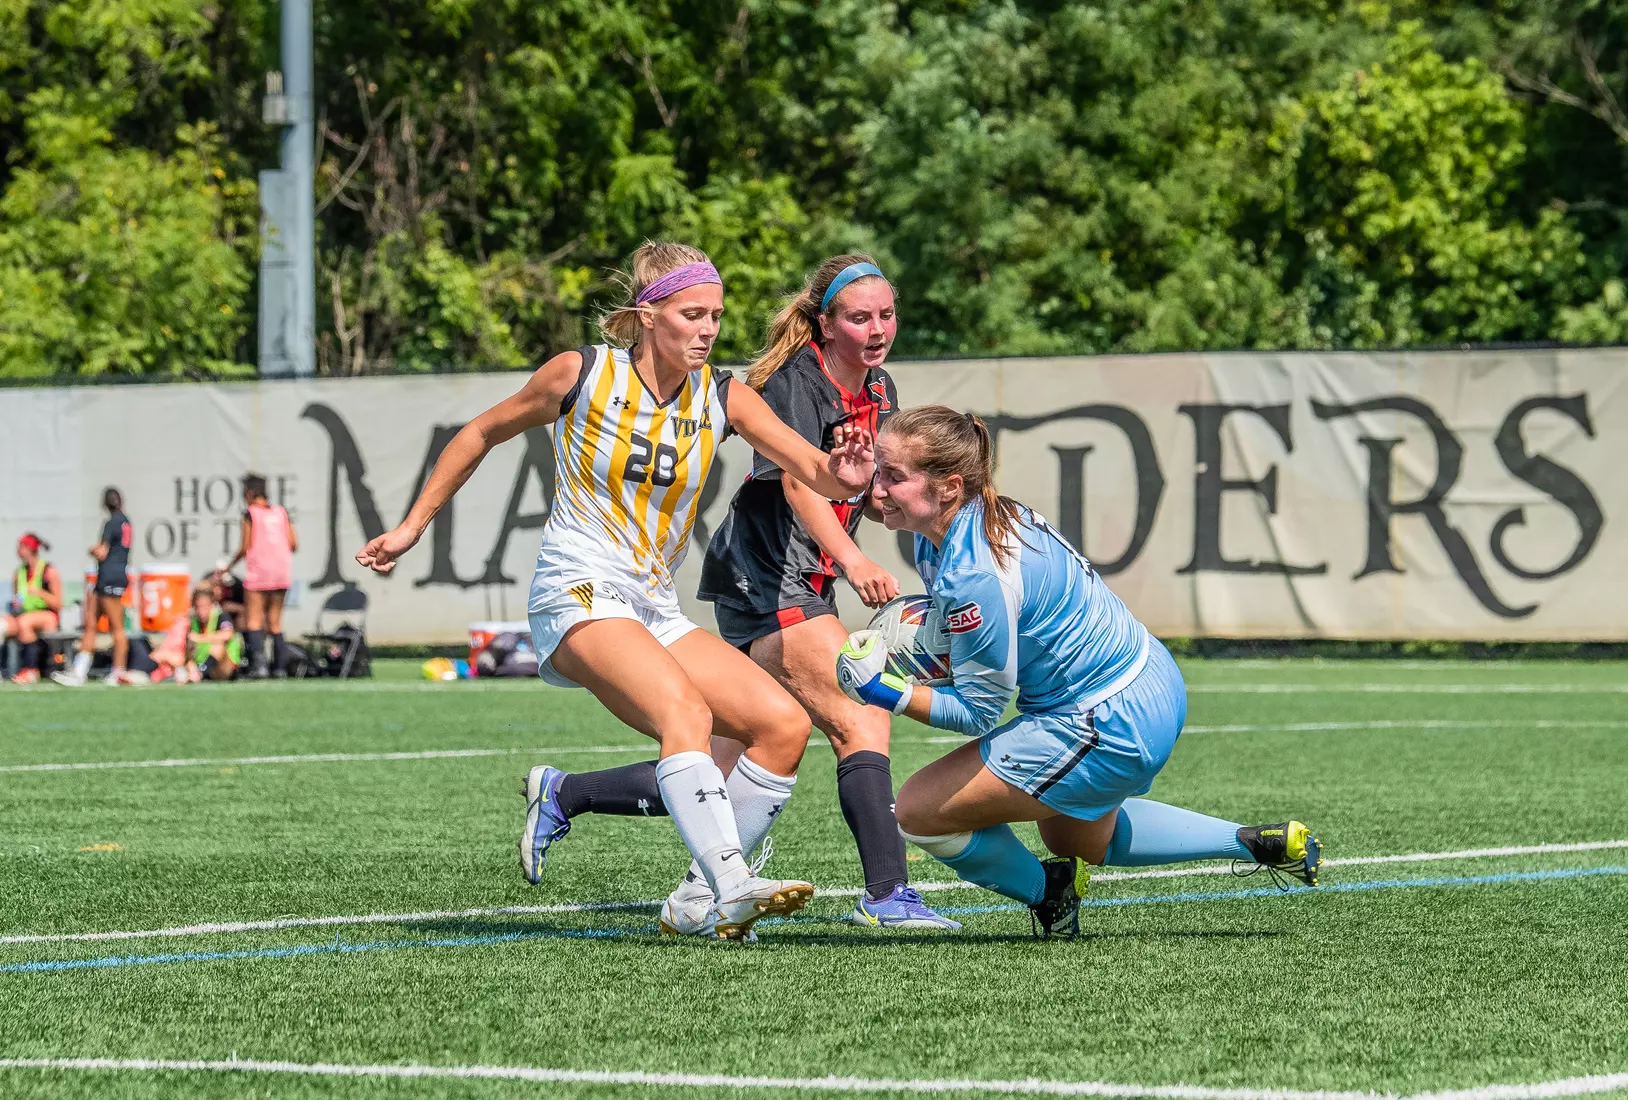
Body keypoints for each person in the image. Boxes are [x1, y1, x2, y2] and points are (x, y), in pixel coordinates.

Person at [355, 241, 877, 942]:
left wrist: (845, 474)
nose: (708, 329)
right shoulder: (583, 373)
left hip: (652, 603)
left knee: (781, 726)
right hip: (577, 586)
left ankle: (696, 904)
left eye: (716, 316)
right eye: (692, 314)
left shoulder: (723, 395)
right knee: (685, 713)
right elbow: (479, 432)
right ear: (648, 315)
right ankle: (731, 885)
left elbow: (814, 469)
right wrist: (411, 527)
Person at [534, 256, 947, 933]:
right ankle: (885, 894)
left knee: (732, 751)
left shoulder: (879, 387)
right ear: (825, 324)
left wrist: (920, 516)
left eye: (886, 315)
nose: (878, 330)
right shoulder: (792, 382)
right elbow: (799, 481)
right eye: (859, 317)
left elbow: (852, 487)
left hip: (792, 578)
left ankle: (571, 796)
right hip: (765, 573)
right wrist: (851, 556)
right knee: (860, 714)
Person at [835, 406, 1322, 938]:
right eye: (878, 471)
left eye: (892, 476)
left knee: (917, 810)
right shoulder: (987, 512)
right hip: (1149, 679)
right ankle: (1255, 841)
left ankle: (1050, 893)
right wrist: (848, 480)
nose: (877, 489)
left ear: (949, 486)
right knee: (1077, 840)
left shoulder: (974, 572)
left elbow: (978, 712)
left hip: (1103, 720)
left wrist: (881, 688)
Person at [54, 488, 136, 686]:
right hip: (114, 576)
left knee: (116, 627)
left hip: (108, 577)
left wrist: (91, 550)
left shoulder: (112, 522)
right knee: (90, 623)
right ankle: (79, 671)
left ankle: (118, 671)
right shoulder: (126, 522)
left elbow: (102, 552)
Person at [229, 475, 296, 678]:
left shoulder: (250, 514)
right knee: (275, 622)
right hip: (281, 572)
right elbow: (293, 543)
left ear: (249, 493)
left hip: (259, 573)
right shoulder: (281, 512)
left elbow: (245, 546)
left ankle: (259, 667)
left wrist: (228, 567)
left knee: (254, 620)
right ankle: (280, 668)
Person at [151, 585, 243, 683]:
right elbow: (189, 652)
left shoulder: (221, 616)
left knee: (217, 647)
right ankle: (144, 673)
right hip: (201, 664)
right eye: (198, 607)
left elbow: (228, 634)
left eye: (205, 606)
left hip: (226, 667)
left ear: (212, 605)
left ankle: (198, 674)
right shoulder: (194, 622)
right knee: (163, 655)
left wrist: (200, 638)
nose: (201, 611)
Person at [5, 534, 62, 684]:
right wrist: (15, 605)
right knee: (4, 624)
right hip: (25, 613)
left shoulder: (48, 570)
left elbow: (58, 603)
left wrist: (40, 593)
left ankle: (31, 669)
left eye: (21, 547)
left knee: (25, 622)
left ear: (30, 549)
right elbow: (17, 598)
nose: (18, 550)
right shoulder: (19, 572)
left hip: (48, 615)